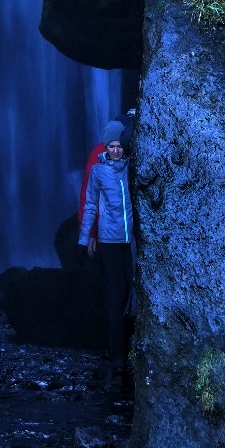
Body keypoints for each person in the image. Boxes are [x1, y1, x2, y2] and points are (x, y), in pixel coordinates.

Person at [79, 119, 134, 360]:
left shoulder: (130, 163)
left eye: (119, 144)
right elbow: (89, 200)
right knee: (116, 294)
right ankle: (116, 357)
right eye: (111, 145)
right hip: (110, 238)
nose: (116, 149)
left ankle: (123, 354)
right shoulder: (99, 166)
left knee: (125, 293)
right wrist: (89, 234)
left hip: (128, 238)